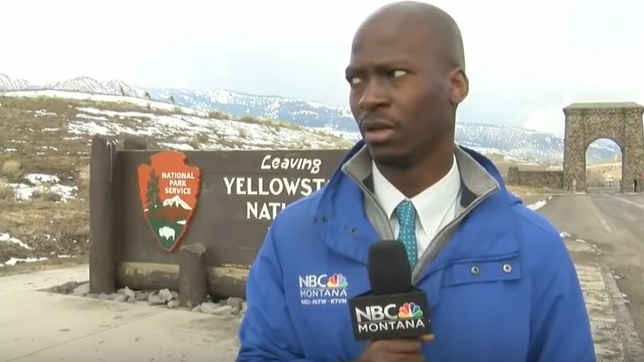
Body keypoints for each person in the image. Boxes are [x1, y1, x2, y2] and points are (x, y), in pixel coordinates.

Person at [235, 1, 596, 361]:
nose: (368, 98)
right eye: (356, 80)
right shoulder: (293, 237)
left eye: (395, 74)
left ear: (455, 85)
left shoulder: (535, 248)